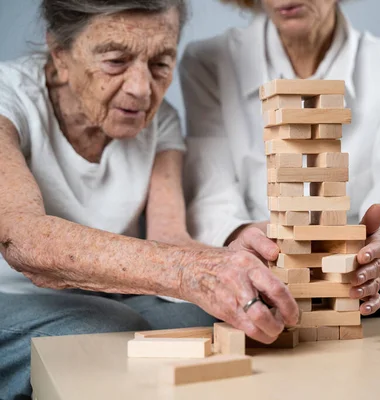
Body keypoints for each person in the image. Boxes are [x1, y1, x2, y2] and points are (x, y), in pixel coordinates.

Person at [0, 1, 299, 398]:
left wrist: (238, 258)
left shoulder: (162, 122)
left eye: (161, 63)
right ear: (60, 53)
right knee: (105, 331)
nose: (141, 89)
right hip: (13, 296)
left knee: (210, 319)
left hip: (108, 294)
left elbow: (170, 239)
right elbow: (24, 241)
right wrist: (190, 270)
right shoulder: (8, 99)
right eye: (115, 61)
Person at [181, 0, 380, 316]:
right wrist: (263, 244)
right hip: (256, 278)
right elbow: (210, 197)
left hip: (356, 287)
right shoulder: (209, 61)